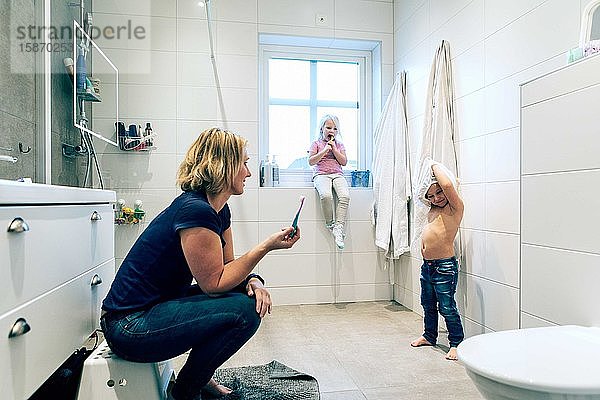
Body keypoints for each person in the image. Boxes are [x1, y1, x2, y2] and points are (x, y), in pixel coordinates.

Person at [100, 127, 301, 400]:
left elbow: (230, 267)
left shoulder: (219, 209)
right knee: (245, 311)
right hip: (127, 326)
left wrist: (254, 280)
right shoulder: (195, 210)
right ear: (226, 165)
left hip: (154, 308)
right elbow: (214, 284)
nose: (249, 172)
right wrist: (266, 247)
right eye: (244, 163)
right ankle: (185, 392)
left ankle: (200, 377)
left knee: (244, 295)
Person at [410, 161, 464, 360]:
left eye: (439, 193)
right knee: (428, 303)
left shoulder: (454, 208)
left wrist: (432, 165)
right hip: (428, 266)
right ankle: (429, 335)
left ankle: (457, 342)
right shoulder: (432, 209)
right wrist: (426, 181)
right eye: (431, 196)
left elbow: (449, 186)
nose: (436, 198)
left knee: (447, 306)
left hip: (444, 265)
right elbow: (421, 194)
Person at [308, 114, 350, 249]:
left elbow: (343, 162)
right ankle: (330, 224)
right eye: (329, 127)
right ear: (322, 129)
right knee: (326, 195)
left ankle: (339, 227)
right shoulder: (316, 144)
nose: (332, 131)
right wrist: (325, 149)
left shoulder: (339, 145)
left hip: (337, 174)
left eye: (335, 129)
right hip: (321, 175)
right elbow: (311, 161)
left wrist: (334, 149)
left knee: (345, 196)